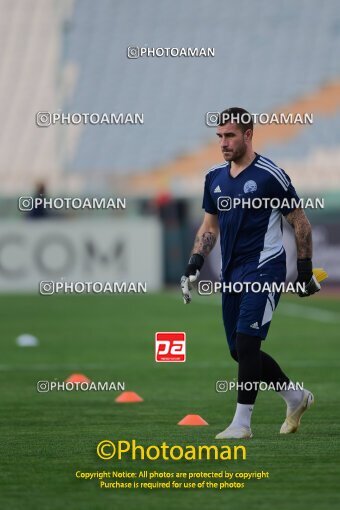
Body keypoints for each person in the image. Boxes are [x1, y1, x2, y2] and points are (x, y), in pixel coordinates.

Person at [180, 107, 321, 439]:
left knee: (246, 342)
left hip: (265, 268)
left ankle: (241, 424)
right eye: (220, 137)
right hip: (232, 274)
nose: (224, 143)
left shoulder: (271, 174)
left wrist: (303, 270)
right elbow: (209, 226)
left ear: (248, 135)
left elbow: (299, 221)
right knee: (240, 350)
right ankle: (295, 396)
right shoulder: (213, 177)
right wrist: (195, 263)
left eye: (230, 136)